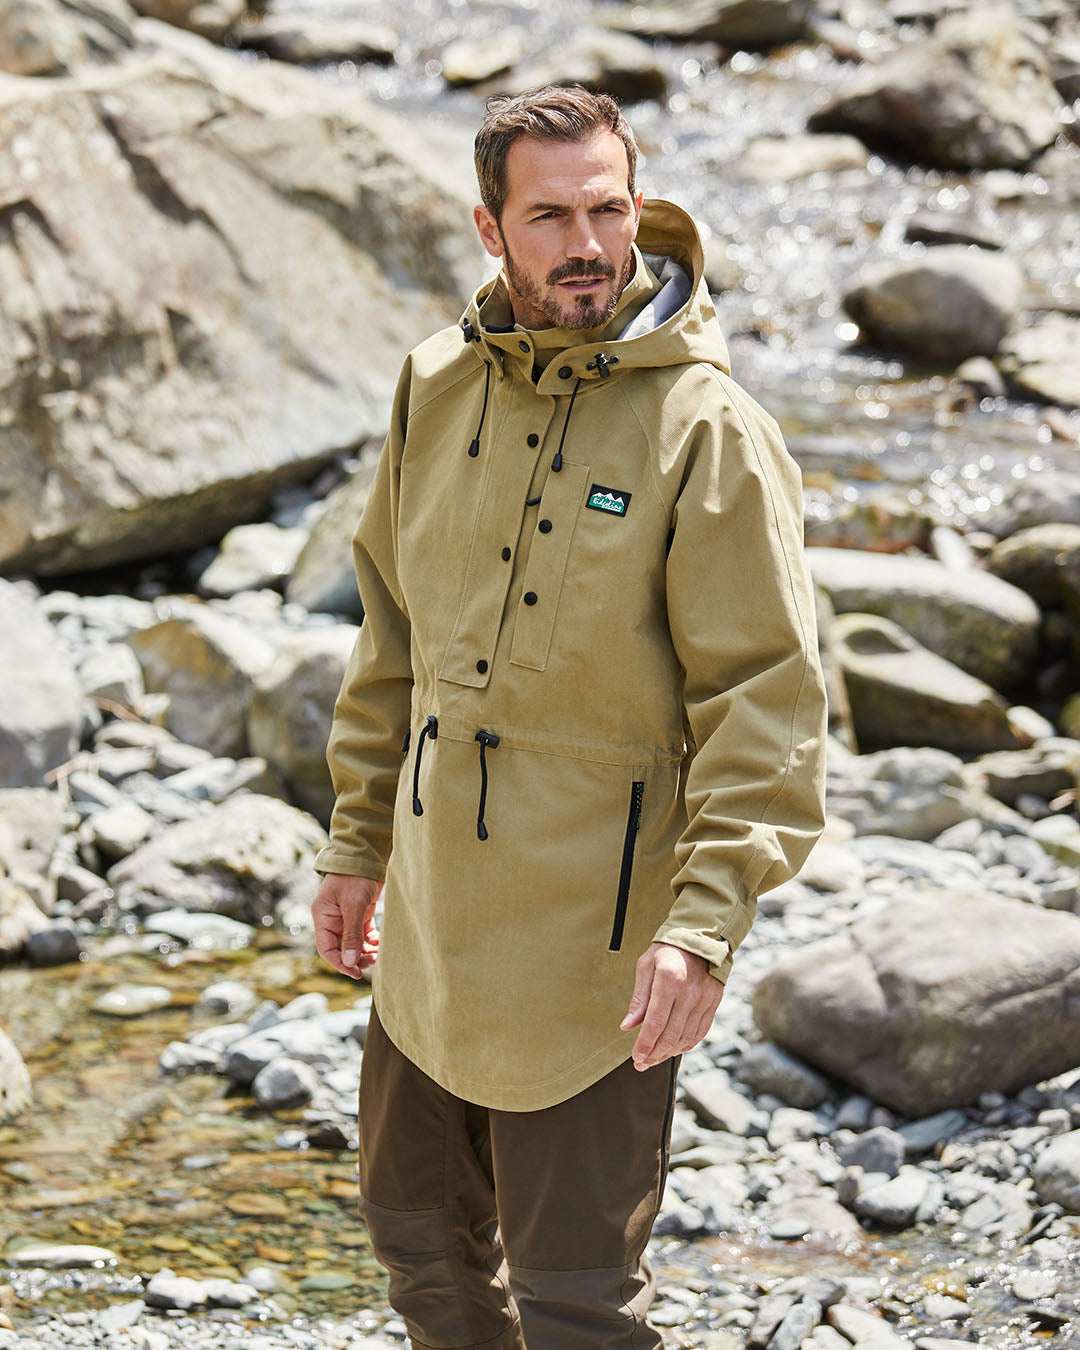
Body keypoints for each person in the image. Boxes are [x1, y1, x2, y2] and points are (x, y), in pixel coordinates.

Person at [311, 84, 828, 1350]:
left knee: (579, 1302)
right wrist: (356, 841)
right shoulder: (433, 387)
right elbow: (395, 644)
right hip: (432, 934)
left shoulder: (709, 431)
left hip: (595, 959)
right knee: (423, 1254)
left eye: (610, 207)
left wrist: (703, 928)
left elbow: (768, 704)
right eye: (551, 216)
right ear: (490, 229)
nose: (590, 243)